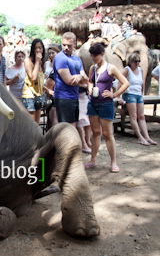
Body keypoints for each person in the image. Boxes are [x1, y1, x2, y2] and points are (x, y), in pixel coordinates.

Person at [84, 43, 130, 173]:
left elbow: (126, 83)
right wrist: (89, 88)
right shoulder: (92, 68)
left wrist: (114, 94)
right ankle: (93, 160)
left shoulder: (111, 68)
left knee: (108, 134)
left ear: (102, 54)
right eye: (92, 55)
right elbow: (90, 81)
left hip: (106, 104)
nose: (93, 58)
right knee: (96, 132)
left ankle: (113, 162)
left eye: (96, 55)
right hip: (92, 103)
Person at [53, 32, 88, 126]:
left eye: (69, 45)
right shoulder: (60, 58)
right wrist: (80, 77)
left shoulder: (77, 59)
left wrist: (80, 77)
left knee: (74, 125)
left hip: (75, 97)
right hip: (64, 98)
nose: (66, 48)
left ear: (74, 44)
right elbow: (69, 80)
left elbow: (85, 79)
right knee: (67, 128)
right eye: (63, 45)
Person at [121, 53, 157, 145]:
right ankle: (140, 137)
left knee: (141, 116)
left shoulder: (140, 70)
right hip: (129, 94)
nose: (137, 63)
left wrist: (142, 94)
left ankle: (147, 137)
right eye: (135, 61)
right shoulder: (127, 70)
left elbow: (141, 83)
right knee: (133, 116)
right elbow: (119, 82)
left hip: (138, 94)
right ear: (130, 62)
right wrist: (119, 96)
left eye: (138, 61)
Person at [22, 38, 46, 123]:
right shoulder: (27, 61)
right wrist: (37, 61)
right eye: (36, 48)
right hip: (29, 95)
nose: (38, 50)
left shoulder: (42, 62)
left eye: (40, 48)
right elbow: (33, 77)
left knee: (37, 122)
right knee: (31, 122)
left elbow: (41, 80)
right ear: (33, 49)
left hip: (39, 94)